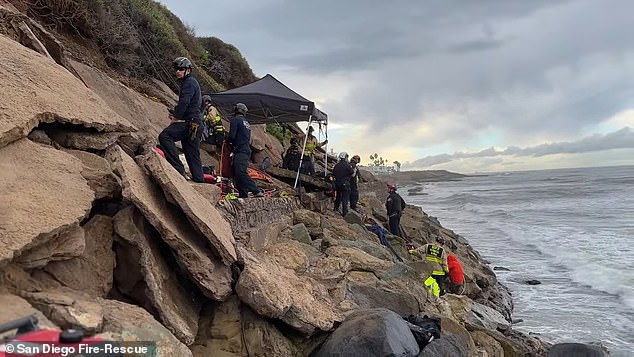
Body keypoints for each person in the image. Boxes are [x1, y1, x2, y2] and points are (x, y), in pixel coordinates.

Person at [158, 56, 204, 182]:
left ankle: (178, 170)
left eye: (181, 69)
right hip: (196, 123)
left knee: (165, 136)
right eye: (176, 69)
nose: (177, 71)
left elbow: (185, 102)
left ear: (188, 70)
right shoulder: (192, 82)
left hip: (191, 123)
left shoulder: (189, 82)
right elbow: (193, 105)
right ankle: (199, 179)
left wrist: (176, 117)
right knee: (192, 152)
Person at [227, 102, 264, 198]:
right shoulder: (246, 122)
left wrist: (226, 140)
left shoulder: (235, 120)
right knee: (238, 173)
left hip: (240, 150)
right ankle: (243, 194)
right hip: (245, 150)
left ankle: (256, 190)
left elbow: (232, 136)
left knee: (240, 172)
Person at [332, 152, 353, 216]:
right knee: (345, 199)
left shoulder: (336, 165)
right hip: (345, 184)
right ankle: (345, 213)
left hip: (338, 184)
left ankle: (335, 208)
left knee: (338, 196)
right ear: (345, 157)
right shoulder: (347, 165)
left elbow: (334, 174)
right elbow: (352, 172)